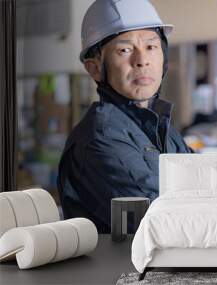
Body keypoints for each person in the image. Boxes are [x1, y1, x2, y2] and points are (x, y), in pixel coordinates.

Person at [57, 0, 192, 233]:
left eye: (151, 47)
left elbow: (208, 186)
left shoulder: (159, 127)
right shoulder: (100, 139)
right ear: (95, 68)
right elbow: (167, 224)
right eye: (125, 50)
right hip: (123, 269)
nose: (142, 60)